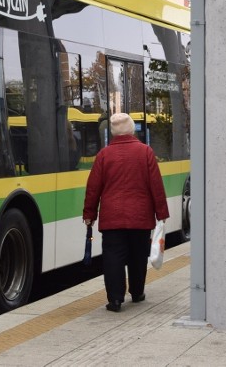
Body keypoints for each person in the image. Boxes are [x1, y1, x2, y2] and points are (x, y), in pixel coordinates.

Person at [82, 112, 169, 312]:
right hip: (140, 217)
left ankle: (115, 299)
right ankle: (137, 292)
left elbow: (93, 188)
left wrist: (89, 214)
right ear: (132, 129)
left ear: (112, 132)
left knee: (113, 257)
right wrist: (161, 213)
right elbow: (156, 185)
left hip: (112, 218)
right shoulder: (145, 152)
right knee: (138, 256)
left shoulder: (103, 155)